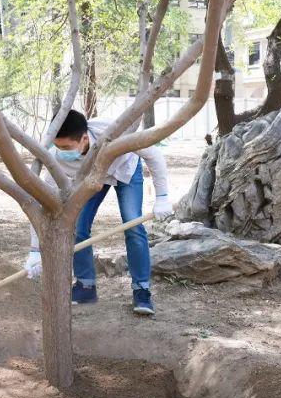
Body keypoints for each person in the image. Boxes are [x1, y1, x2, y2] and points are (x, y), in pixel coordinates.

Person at [22, 109, 174, 315]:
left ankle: (142, 290)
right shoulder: (57, 158)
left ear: (84, 139)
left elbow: (153, 154)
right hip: (91, 179)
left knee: (133, 224)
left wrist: (162, 196)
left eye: (66, 147)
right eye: (58, 147)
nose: (61, 152)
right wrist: (34, 250)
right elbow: (42, 204)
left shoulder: (113, 132)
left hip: (125, 168)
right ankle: (85, 286)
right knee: (78, 227)